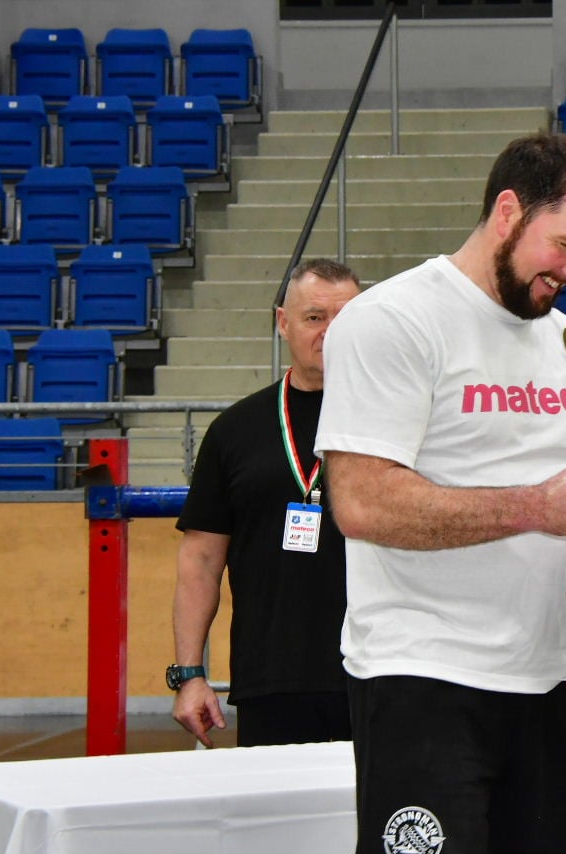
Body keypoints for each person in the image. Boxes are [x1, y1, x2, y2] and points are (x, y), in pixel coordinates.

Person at [315, 132, 566, 854]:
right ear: (507, 212)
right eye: (565, 245)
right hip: (421, 674)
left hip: (545, 675)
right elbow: (363, 505)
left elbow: (565, 496)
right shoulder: (392, 319)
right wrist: (540, 508)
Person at [171, 258, 362, 748]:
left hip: (382, 674)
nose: (330, 332)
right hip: (270, 680)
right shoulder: (235, 430)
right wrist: (189, 674)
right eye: (314, 317)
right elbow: (200, 559)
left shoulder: (402, 419)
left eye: (346, 318)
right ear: (283, 322)